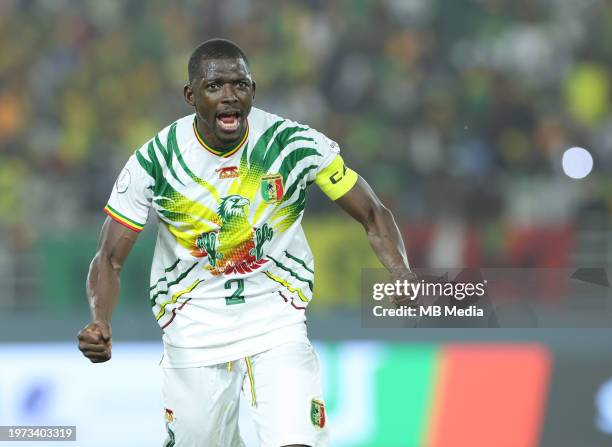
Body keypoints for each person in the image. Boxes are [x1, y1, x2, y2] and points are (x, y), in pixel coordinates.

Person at [77, 38, 415, 447]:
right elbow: (109, 258)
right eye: (215, 86)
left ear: (253, 90)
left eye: (240, 85)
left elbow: (373, 212)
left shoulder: (293, 144)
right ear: (191, 95)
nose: (229, 97)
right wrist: (101, 320)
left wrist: (401, 273)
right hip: (192, 335)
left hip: (277, 323)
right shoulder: (156, 161)